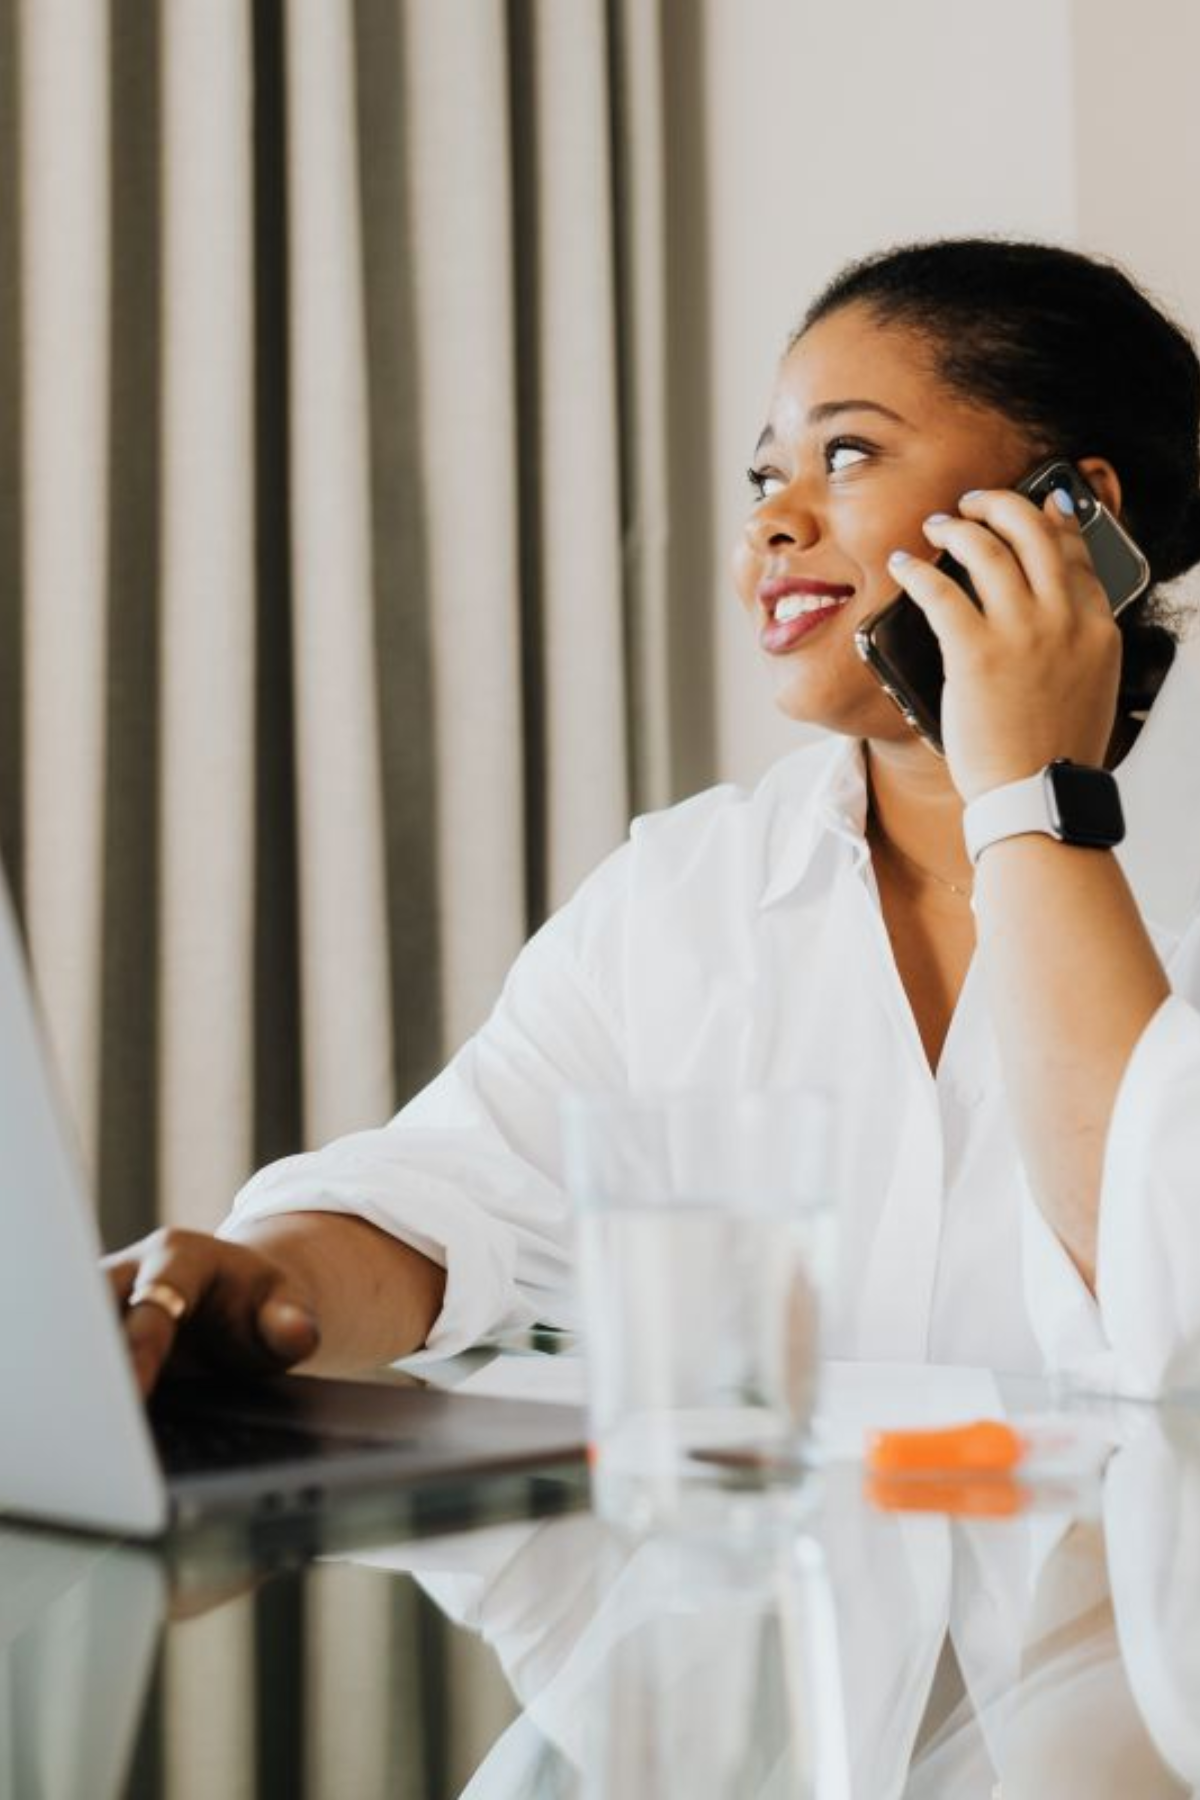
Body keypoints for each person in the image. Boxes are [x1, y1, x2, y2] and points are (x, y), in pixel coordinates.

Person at [105, 238, 1200, 1399]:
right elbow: (455, 1195)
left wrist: (1031, 797)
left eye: (847, 451)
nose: (773, 525)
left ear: (1073, 515)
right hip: (756, 1578)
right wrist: (256, 1287)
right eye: (764, 477)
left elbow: (1167, 1311)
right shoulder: (688, 889)